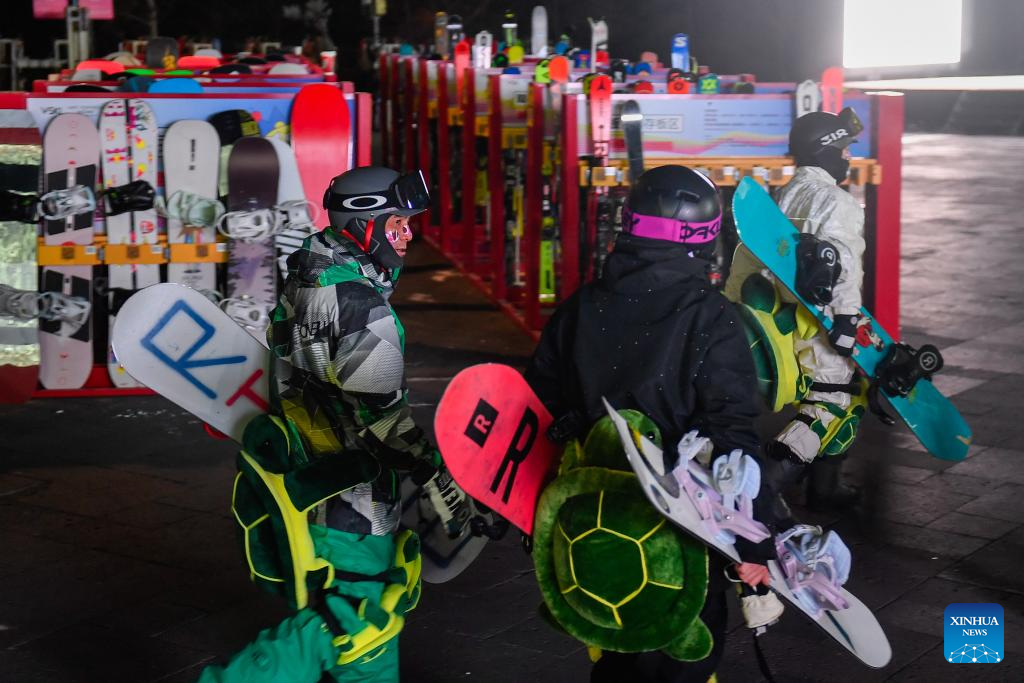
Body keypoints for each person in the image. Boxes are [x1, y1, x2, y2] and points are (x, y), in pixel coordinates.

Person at [199, 166, 469, 683]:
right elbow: (383, 422)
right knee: (352, 625)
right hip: (352, 497)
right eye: (398, 224)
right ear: (364, 224)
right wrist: (436, 473)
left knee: (357, 619)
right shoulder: (361, 307)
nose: (407, 236)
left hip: (314, 474)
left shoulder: (309, 274)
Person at [526, 165, 782, 682]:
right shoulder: (711, 318)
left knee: (615, 655)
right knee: (684, 655)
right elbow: (731, 438)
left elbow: (538, 410)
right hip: (680, 534)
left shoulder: (578, 310)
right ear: (703, 239)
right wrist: (755, 544)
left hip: (589, 527)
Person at [726, 107, 867, 513]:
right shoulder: (836, 201)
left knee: (851, 394)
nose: (848, 156)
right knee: (832, 401)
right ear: (826, 150)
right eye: (843, 149)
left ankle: (827, 486)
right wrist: (847, 318)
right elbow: (840, 259)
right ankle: (764, 492)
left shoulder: (785, 195)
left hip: (781, 317)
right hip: (816, 323)